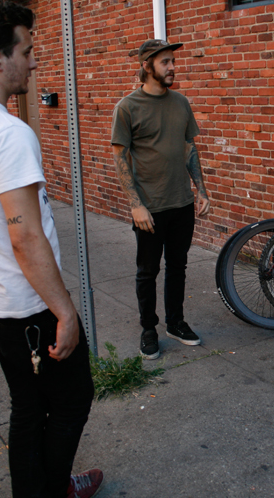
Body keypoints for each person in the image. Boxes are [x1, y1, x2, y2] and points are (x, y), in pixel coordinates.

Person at [0, 0, 102, 498]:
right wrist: (65, 312)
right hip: (25, 306)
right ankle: (52, 491)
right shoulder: (8, 133)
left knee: (29, 405)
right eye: (26, 51)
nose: (34, 61)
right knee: (72, 399)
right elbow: (25, 236)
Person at [111, 39, 210, 360]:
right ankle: (149, 329)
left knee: (178, 266)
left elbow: (189, 148)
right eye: (165, 62)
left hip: (181, 203)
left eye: (172, 61)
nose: (172, 67)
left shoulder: (180, 102)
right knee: (147, 271)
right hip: (149, 208)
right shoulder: (128, 107)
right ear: (147, 66)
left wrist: (202, 190)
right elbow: (120, 157)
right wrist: (135, 204)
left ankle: (176, 322)